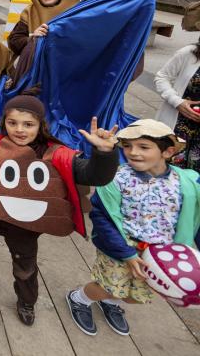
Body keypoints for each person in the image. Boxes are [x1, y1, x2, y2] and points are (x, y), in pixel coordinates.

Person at [0, 95, 120, 326]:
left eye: (28, 124)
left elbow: (94, 176)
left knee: (25, 268)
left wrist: (104, 154)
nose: (19, 130)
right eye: (12, 123)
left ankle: (26, 301)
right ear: (4, 122)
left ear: (40, 125)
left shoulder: (55, 155)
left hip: (26, 226)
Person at [66, 119, 200, 337]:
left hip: (160, 256)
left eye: (144, 147)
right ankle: (80, 297)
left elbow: (195, 217)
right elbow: (101, 216)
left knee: (136, 295)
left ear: (168, 151)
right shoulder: (117, 178)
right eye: (127, 146)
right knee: (106, 286)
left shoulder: (187, 182)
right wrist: (126, 253)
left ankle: (110, 301)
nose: (133, 153)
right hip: (119, 247)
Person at [154, 39, 200, 171]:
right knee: (168, 172)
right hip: (178, 126)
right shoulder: (189, 53)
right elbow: (162, 77)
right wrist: (177, 102)